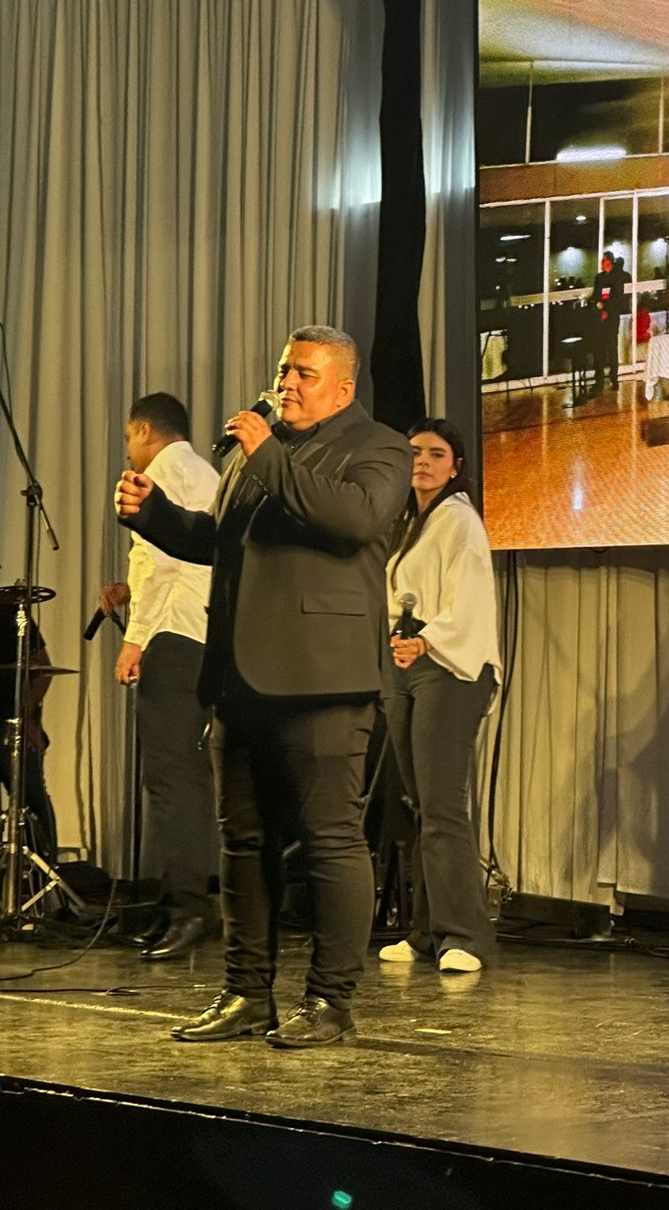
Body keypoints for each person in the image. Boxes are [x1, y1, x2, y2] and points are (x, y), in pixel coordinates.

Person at [114, 326, 412, 1048]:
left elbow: (353, 519)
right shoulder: (262, 452)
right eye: (284, 370)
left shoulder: (378, 447)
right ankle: (247, 993)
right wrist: (153, 515)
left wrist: (268, 456)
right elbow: (221, 539)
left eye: (304, 373)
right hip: (239, 677)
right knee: (242, 841)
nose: (287, 383)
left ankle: (330, 1000)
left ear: (343, 388)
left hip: (322, 680)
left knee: (330, 841)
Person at [96, 393, 219, 960]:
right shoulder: (204, 472)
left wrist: (134, 639)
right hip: (204, 635)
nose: (128, 450)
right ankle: (181, 904)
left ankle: (189, 908)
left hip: (175, 636)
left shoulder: (161, 475)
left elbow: (160, 565)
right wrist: (130, 593)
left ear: (145, 430)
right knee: (184, 775)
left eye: (128, 438)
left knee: (172, 777)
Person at [377, 418, 500, 975]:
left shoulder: (459, 520)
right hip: (408, 660)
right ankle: (426, 932)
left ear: (456, 467)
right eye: (414, 452)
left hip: (450, 666)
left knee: (443, 803)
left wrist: (425, 641)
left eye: (435, 453)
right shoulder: (410, 522)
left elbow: (467, 602)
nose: (422, 462)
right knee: (419, 803)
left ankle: (464, 935)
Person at [0, 600, 57, 864]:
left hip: (12, 721)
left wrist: (25, 718)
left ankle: (46, 869)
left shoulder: (11, 611)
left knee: (30, 796)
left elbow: (42, 669)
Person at [589, 251, 627, 393]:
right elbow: (595, 295)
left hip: (612, 318)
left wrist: (607, 309)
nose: (601, 263)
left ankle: (613, 378)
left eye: (603, 261)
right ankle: (599, 379)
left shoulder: (617, 278)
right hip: (599, 319)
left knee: (612, 348)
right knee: (599, 348)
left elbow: (617, 298)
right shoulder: (599, 278)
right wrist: (597, 305)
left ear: (609, 262)